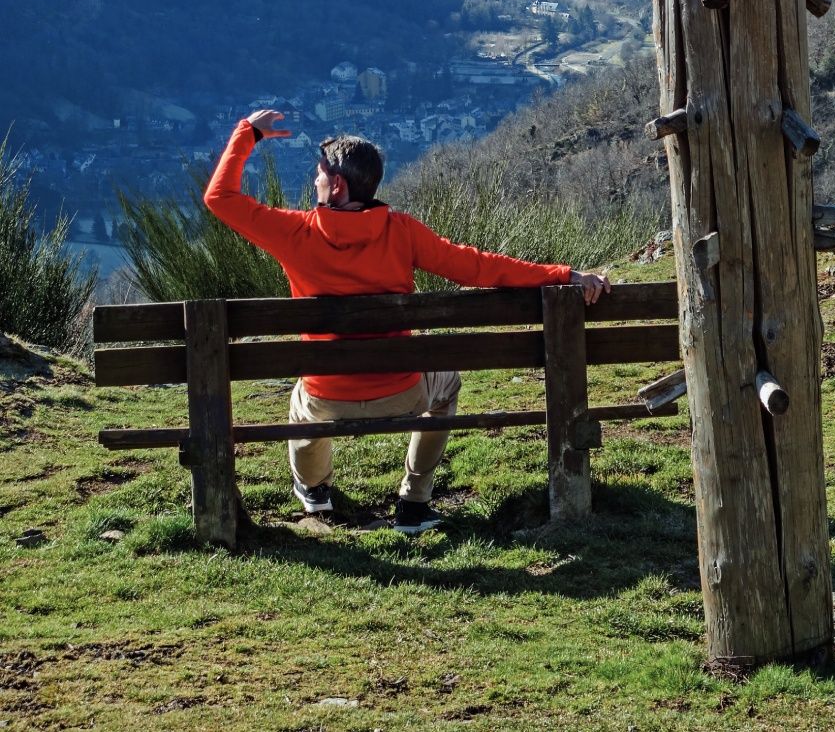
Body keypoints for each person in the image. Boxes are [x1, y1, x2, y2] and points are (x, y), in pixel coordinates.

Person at [203, 110, 611, 535]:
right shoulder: (401, 231)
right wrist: (564, 275)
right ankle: (414, 502)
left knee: (302, 404)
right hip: (401, 390)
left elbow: (219, 198)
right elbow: (478, 268)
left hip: (328, 391)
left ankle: (315, 492)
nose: (315, 181)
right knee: (447, 384)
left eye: (319, 174)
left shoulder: (294, 232)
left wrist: (247, 134)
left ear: (337, 186)